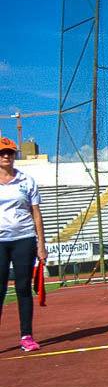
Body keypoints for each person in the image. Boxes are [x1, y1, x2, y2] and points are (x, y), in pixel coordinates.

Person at [0, 137, 47, 351]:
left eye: (10, 152)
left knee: (23, 288)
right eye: (2, 153)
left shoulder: (27, 181)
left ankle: (26, 336)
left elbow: (36, 214)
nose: (6, 156)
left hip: (24, 239)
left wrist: (41, 245)